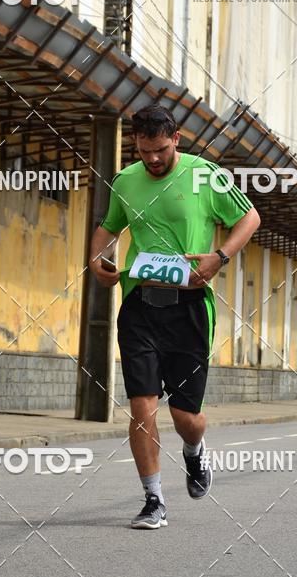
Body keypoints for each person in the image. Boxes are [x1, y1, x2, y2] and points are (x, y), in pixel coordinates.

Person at [89, 103, 261, 529]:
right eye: (145, 150)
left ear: (177, 140)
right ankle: (153, 499)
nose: (153, 159)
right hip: (140, 305)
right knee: (142, 406)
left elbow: (249, 217)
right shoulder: (126, 180)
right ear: (135, 144)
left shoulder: (204, 174)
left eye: (161, 149)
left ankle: (194, 451)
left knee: (186, 417)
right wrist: (97, 260)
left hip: (189, 309)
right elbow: (109, 227)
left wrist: (220, 257)